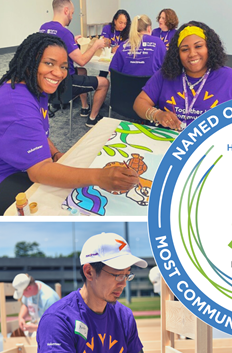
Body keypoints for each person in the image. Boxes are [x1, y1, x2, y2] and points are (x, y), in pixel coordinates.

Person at [26, 232, 196, 353]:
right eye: (116, 274)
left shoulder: (123, 317)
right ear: (89, 272)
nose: (123, 283)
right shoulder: (58, 319)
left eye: (127, 274)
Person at [0, 32, 139, 215]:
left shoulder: (32, 87)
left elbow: (37, 132)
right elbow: (39, 170)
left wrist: (55, 153)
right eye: (49, 63)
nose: (59, 73)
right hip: (7, 176)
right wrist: (99, 177)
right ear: (30, 61)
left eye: (64, 66)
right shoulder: (19, 108)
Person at [134, 21, 232, 131]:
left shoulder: (231, 79)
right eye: (185, 49)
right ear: (177, 54)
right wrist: (157, 114)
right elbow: (140, 102)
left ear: (209, 48)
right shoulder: (166, 74)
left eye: (198, 46)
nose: (192, 54)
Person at [40, 0, 109, 127]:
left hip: (48, 79)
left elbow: (57, 49)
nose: (72, 16)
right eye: (72, 13)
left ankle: (84, 106)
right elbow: (82, 61)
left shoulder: (44, 28)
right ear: (66, 11)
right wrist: (96, 45)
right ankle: (93, 118)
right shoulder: (65, 32)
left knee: (83, 72)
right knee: (104, 83)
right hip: (65, 82)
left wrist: (72, 41)